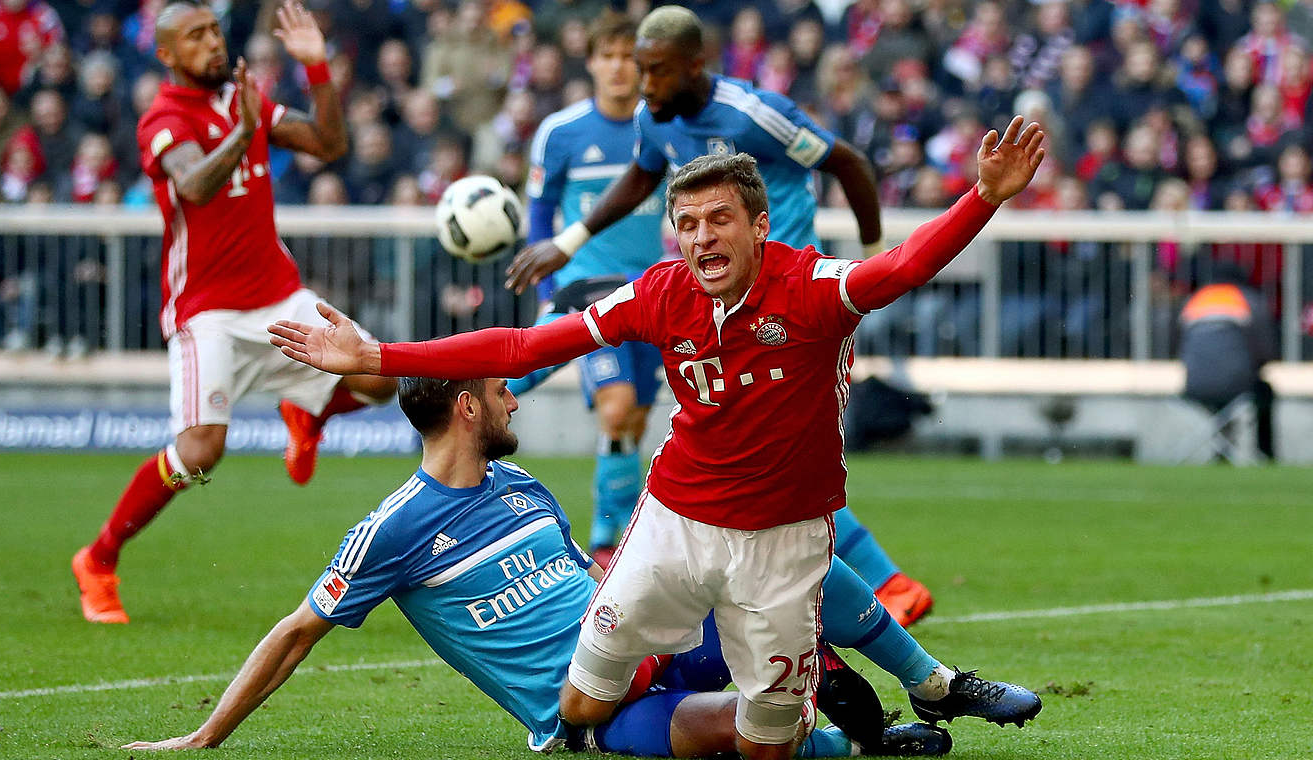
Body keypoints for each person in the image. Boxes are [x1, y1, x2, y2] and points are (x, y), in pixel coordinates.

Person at [269, 116, 1048, 758]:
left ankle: (887, 700)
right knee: (578, 704)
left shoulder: (812, 290)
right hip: (675, 528)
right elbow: (523, 347)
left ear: (759, 225)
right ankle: (871, 699)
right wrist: (377, 357)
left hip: (784, 538)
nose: (702, 238)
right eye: (686, 225)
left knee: (765, 748)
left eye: (719, 220)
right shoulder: (658, 292)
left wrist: (982, 197)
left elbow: (904, 267)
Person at [120, 375, 953, 757]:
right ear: (468, 406)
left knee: (789, 558)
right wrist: (202, 737)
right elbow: (298, 631)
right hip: (585, 715)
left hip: (649, 642)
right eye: (502, 389)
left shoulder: (521, 485)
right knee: (728, 729)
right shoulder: (393, 530)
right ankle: (853, 742)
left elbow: (594, 583)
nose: (518, 397)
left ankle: (921, 682)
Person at [509, 3, 933, 627]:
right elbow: (639, 175)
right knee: (761, 455)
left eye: (656, 73)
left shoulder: (755, 114)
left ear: (695, 65)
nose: (645, 87)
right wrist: (568, 242)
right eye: (639, 71)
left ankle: (881, 589)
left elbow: (850, 164)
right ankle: (883, 587)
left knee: (773, 455)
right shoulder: (656, 119)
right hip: (725, 304)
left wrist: (874, 266)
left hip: (791, 300)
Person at [69, 0, 397, 625]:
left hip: (277, 293)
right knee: (200, 450)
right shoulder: (163, 119)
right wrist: (246, 133)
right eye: (194, 37)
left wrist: (319, 68)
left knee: (378, 379)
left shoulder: (242, 99)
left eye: (214, 30)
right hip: (208, 310)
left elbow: (329, 142)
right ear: (165, 54)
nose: (212, 43)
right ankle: (99, 558)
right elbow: (192, 185)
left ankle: (308, 410)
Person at [522, 11, 668, 568]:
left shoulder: (656, 129)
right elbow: (539, 211)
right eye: (606, 56)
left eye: (627, 58)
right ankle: (608, 544)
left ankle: (620, 530)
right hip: (587, 294)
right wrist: (550, 287)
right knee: (616, 408)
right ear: (591, 63)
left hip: (650, 294)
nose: (616, 68)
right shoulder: (560, 132)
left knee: (632, 423)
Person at [1179, 263, 1277, 460]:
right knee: (1265, 392)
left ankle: (1221, 452)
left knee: (1221, 406)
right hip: (1237, 385)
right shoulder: (1248, 300)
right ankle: (1265, 454)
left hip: (1193, 386)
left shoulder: (1195, 300)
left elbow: (1179, 345)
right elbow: (1266, 350)